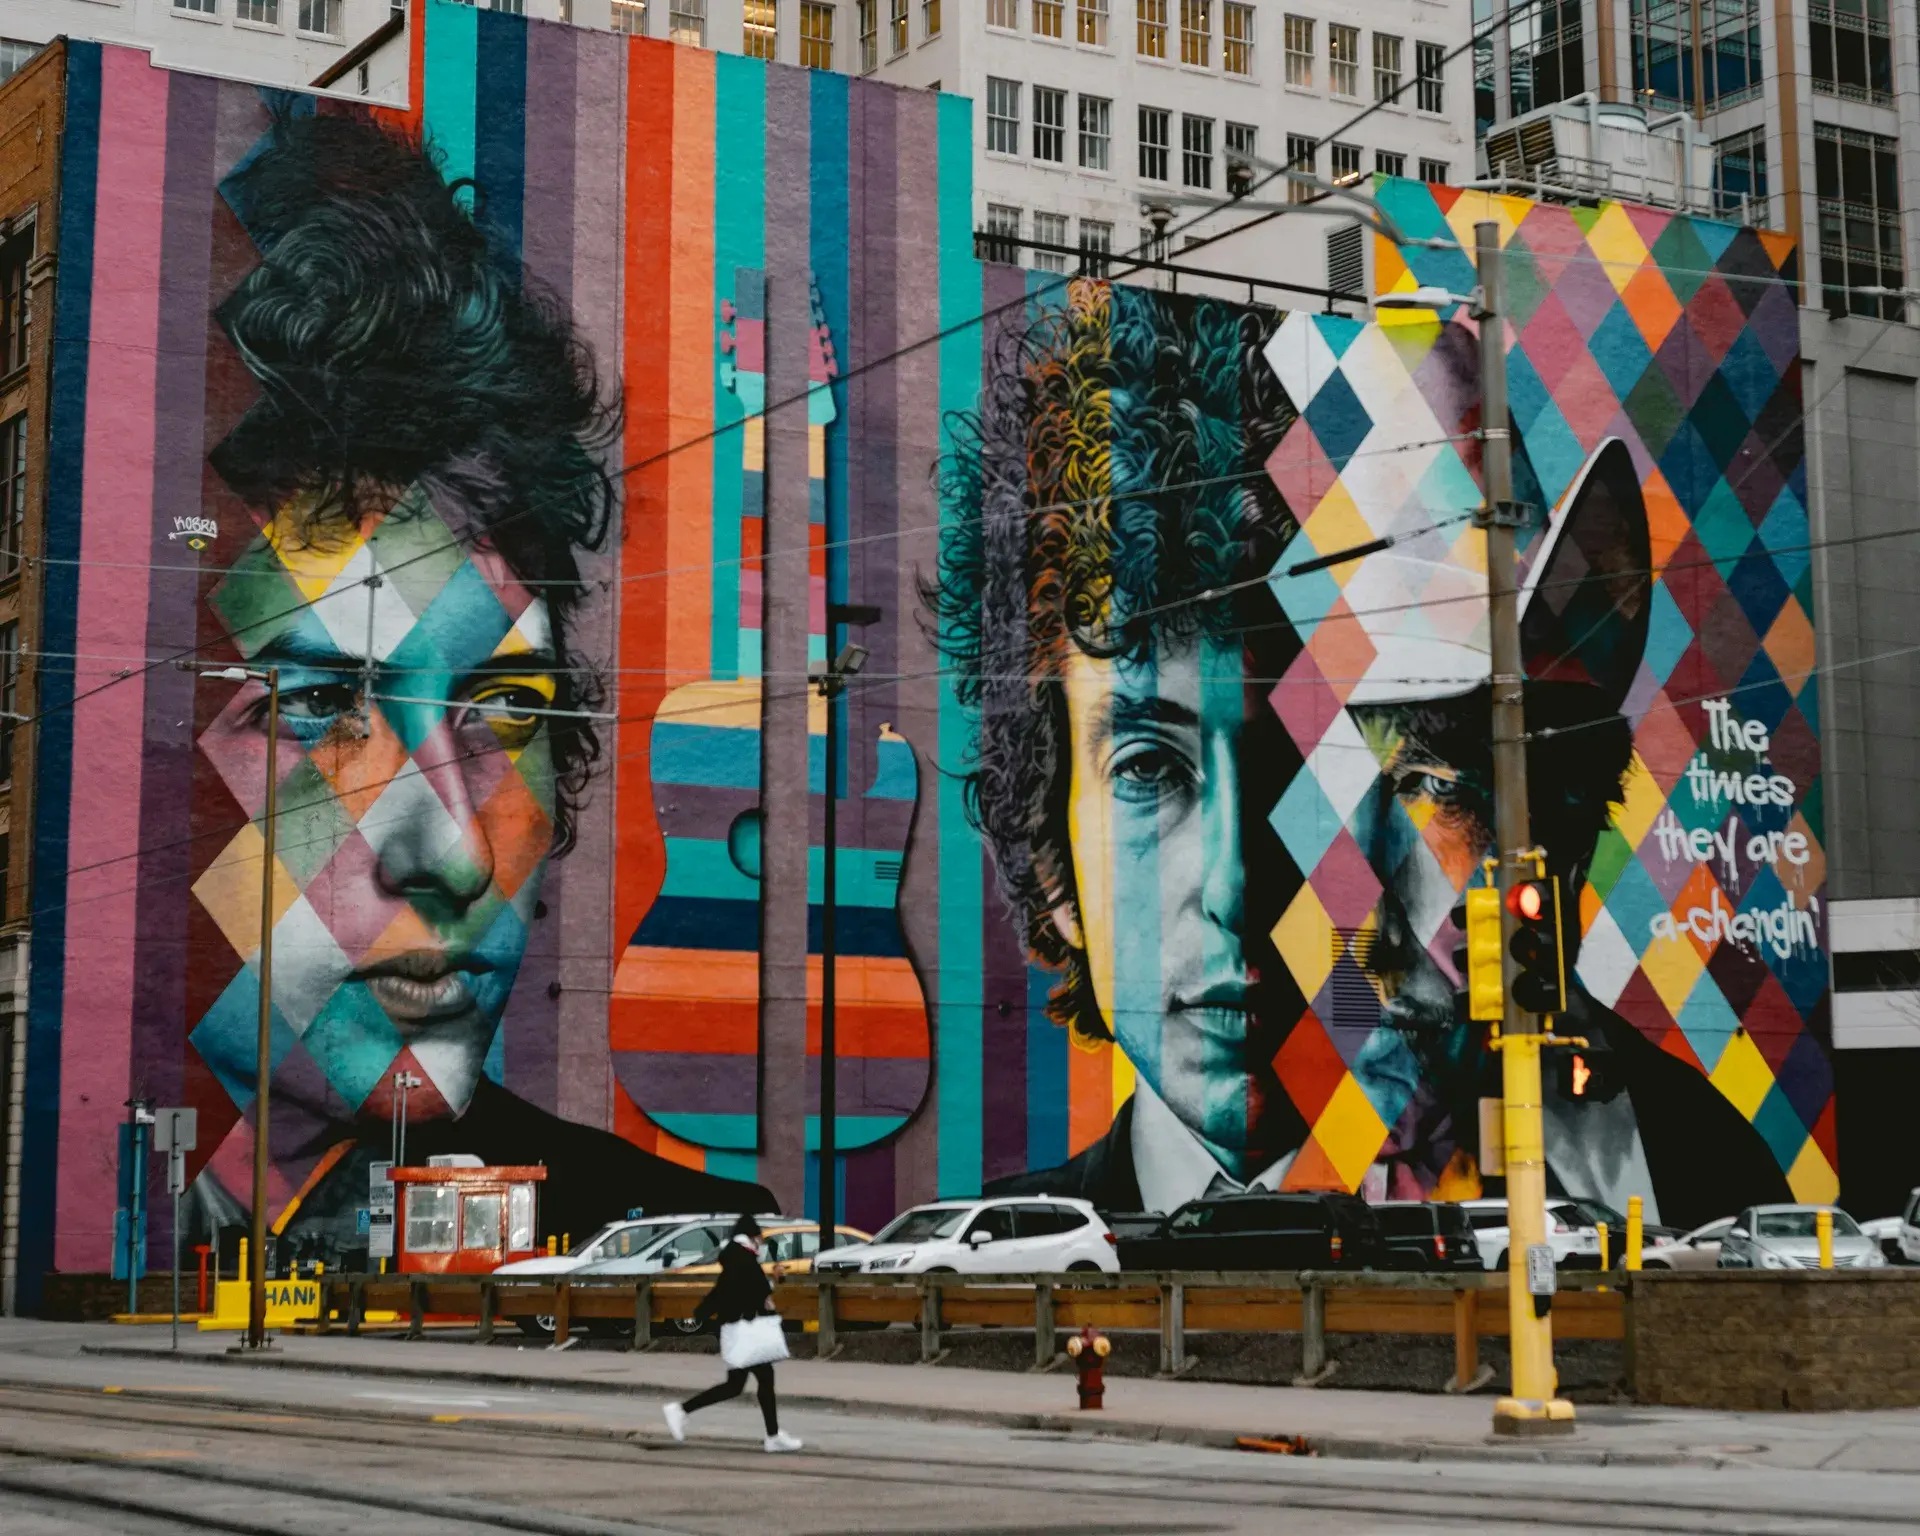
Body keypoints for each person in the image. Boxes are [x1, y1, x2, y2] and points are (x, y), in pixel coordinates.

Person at [927, 281, 1790, 1229]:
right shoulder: (1015, 1241)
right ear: (1052, 854)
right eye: (1149, 769)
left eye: (1395, 781)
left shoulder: (1698, 1165)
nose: (1240, 885)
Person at [181, 109, 774, 1268]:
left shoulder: (670, 1237)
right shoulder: (137, 1238)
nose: (452, 851)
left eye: (507, 709)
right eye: (318, 706)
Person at [663, 1215, 802, 1452]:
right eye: (759, 1237)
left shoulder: (738, 1257)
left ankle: (772, 1435)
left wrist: (704, 1312)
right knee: (754, 1381)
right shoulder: (742, 1258)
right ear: (751, 1236)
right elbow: (746, 1289)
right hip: (741, 1330)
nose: (761, 1242)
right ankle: (772, 1436)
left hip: (737, 1328)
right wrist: (772, 1282)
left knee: (741, 1384)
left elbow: (731, 1289)